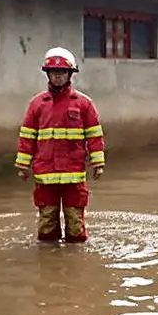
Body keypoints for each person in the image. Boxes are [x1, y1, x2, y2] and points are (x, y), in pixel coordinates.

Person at [16, 47, 105, 244]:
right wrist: (23, 165)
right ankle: (49, 263)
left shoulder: (84, 104)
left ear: (70, 74)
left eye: (62, 73)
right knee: (46, 225)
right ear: (48, 74)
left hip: (73, 175)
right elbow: (27, 137)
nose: (58, 77)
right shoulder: (37, 104)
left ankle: (75, 264)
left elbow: (94, 135)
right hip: (45, 175)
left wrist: (98, 163)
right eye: (54, 73)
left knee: (75, 225)